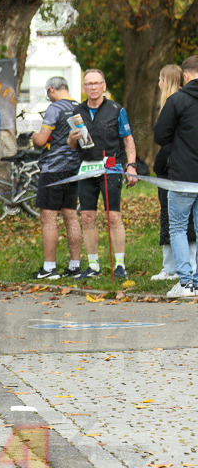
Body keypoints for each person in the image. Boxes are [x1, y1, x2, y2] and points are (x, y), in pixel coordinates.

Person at [67, 68, 138, 279]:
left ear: (104, 86)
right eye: (89, 84)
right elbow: (71, 145)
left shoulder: (116, 109)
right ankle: (93, 266)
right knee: (88, 217)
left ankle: (120, 265)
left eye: (97, 83)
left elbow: (128, 139)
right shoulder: (76, 111)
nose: (93, 87)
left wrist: (131, 165)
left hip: (111, 166)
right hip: (86, 168)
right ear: (83, 88)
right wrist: (72, 138)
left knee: (113, 216)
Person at [154, 55, 198, 297]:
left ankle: (186, 282)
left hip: (182, 175)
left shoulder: (177, 100)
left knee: (178, 227)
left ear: (186, 76)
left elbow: (160, 135)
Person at [30, 76, 82, 279]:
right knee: (71, 216)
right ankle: (75, 265)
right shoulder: (79, 107)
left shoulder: (55, 108)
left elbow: (42, 139)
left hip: (52, 169)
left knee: (49, 218)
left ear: (51, 90)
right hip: (73, 169)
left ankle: (50, 268)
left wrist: (34, 136)